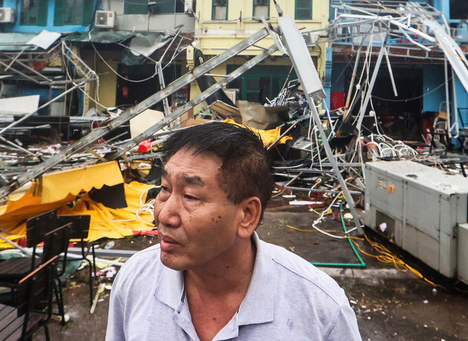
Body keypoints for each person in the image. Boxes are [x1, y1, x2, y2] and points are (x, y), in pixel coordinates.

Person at [106, 122, 361, 341]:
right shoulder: (135, 280)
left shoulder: (320, 310)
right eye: (164, 188)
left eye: (191, 196)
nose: (163, 215)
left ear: (247, 215)